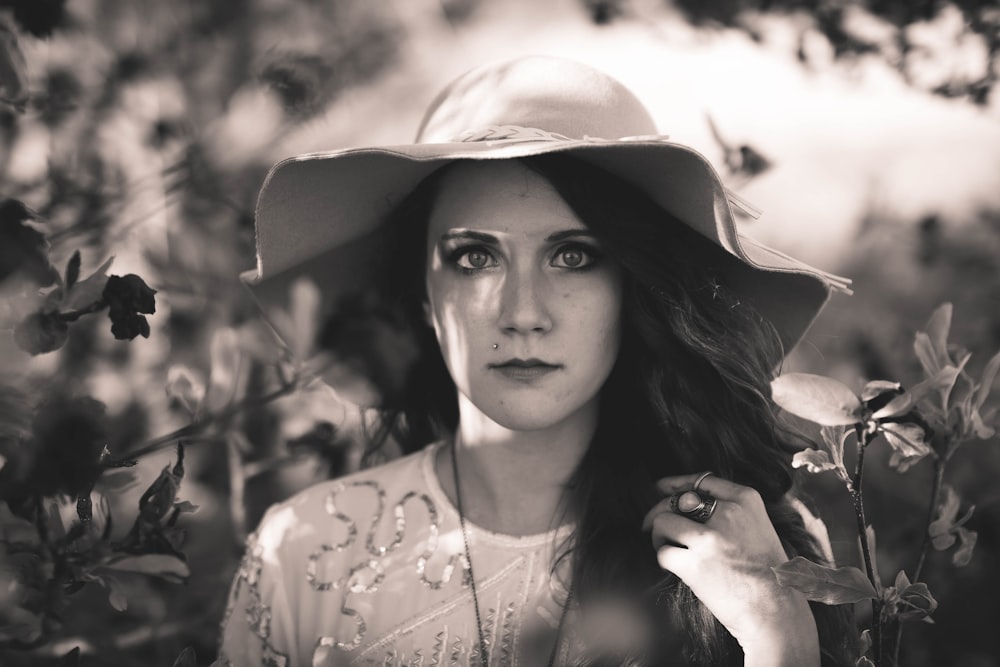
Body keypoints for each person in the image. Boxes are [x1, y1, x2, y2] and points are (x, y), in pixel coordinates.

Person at [216, 56, 857, 666]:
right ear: (420, 292)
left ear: (631, 287)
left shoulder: (764, 543)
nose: (523, 313)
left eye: (572, 256)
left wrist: (780, 631)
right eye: (475, 257)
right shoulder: (306, 551)